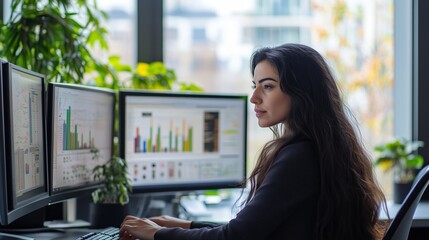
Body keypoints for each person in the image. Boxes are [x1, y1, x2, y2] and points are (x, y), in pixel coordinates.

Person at [119, 43, 387, 240]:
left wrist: (157, 235)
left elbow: (236, 237)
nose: (254, 98)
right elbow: (254, 229)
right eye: (255, 85)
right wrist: (186, 226)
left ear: (301, 92)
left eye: (268, 86)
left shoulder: (299, 157)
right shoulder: (319, 147)